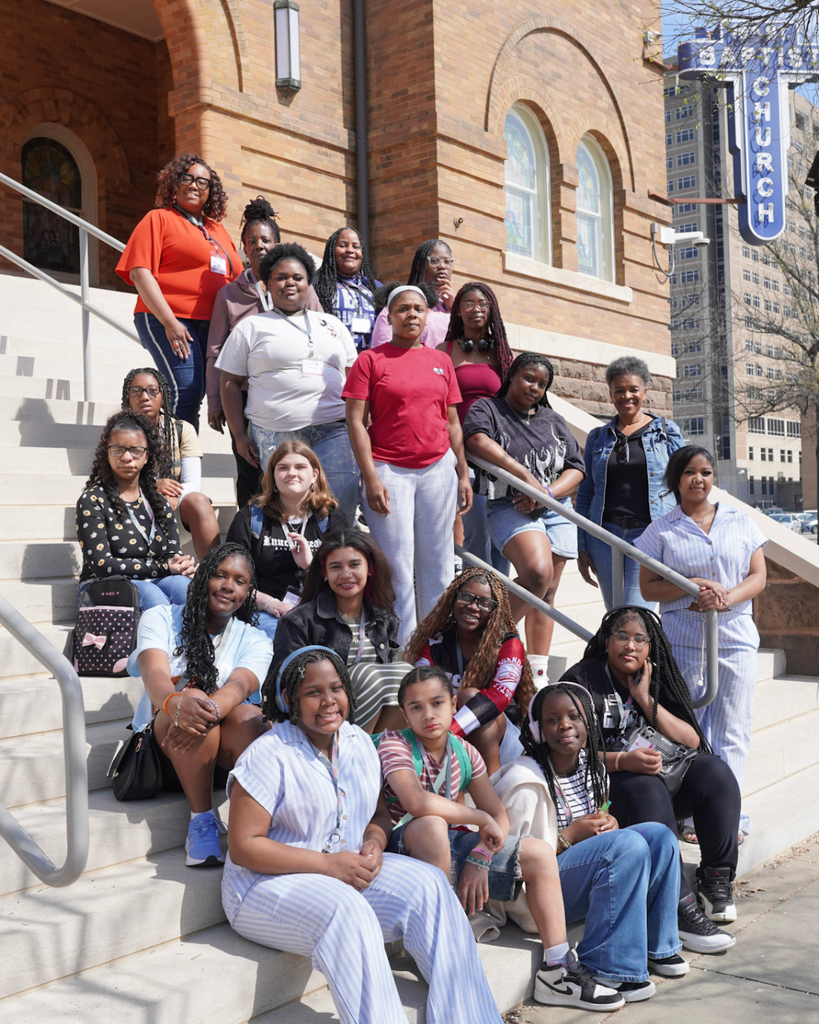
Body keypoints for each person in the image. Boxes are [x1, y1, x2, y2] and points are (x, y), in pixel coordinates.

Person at [223, 647, 505, 1024]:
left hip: (344, 870)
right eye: (312, 692)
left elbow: (379, 815)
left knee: (430, 885)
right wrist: (326, 865)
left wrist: (374, 842)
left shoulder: (359, 743)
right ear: (290, 699)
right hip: (262, 887)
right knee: (347, 909)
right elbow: (243, 847)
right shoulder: (269, 754)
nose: (328, 701)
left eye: (336, 688)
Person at [378, 666, 624, 1012]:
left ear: (453, 705)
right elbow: (416, 802)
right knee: (432, 824)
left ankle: (556, 969)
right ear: (404, 713)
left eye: (437, 703)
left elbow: (500, 817)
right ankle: (444, 949)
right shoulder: (395, 743)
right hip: (403, 850)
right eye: (416, 707)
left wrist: (481, 854)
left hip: (453, 846)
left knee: (538, 852)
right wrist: (479, 818)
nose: (428, 714)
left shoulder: (465, 750)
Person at [493, 682, 688, 1000]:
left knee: (659, 836)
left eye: (574, 716)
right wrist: (571, 836)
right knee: (627, 845)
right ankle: (607, 967)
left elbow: (599, 824)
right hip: (537, 902)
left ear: (589, 724)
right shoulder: (524, 783)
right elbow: (514, 865)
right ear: (537, 729)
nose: (565, 725)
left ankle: (657, 944)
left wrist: (607, 825)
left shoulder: (592, 768)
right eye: (552, 719)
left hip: (573, 879)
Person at [561, 607, 740, 949]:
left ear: (650, 646)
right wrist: (623, 760)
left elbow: (691, 741)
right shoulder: (581, 681)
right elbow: (564, 755)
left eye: (639, 639)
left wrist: (645, 700)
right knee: (646, 786)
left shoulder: (654, 677)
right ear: (607, 640)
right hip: (604, 790)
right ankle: (678, 906)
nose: (630, 646)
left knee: (714, 770)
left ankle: (716, 879)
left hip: (657, 779)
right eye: (622, 636)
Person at [636, 446, 767, 838]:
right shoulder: (661, 530)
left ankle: (730, 817)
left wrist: (724, 595)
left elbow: (758, 576)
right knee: (692, 729)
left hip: (734, 639)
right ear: (676, 479)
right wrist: (690, 589)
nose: (699, 479)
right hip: (685, 641)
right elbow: (647, 586)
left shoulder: (740, 521)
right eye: (690, 472)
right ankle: (692, 815)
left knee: (733, 731)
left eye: (706, 472)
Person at [128, 543, 273, 867]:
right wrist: (177, 703)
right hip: (162, 750)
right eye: (219, 575)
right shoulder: (161, 617)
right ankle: (202, 819)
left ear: (249, 590)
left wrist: (206, 709)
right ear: (203, 575)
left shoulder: (255, 639)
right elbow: (155, 676)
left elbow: (239, 686)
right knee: (190, 697)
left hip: (220, 759)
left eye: (239, 580)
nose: (228, 586)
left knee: (250, 716)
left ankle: (251, 823)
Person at [344, 285, 472, 644]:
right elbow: (356, 421)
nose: (411, 314)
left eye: (418, 308)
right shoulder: (370, 360)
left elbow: (452, 422)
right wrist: (370, 477)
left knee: (439, 562)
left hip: (437, 470)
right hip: (388, 469)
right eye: (403, 309)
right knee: (396, 565)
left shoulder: (442, 361)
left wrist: (462, 472)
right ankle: (403, 646)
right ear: (389, 316)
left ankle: (435, 643)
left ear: (427, 315)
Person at [216, 243, 360, 521]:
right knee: (289, 511)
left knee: (340, 508)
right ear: (268, 283)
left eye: (297, 277)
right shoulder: (251, 326)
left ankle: (338, 562)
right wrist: (239, 435)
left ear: (309, 283)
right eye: (280, 277)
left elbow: (354, 380)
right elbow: (229, 383)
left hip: (334, 430)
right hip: (276, 432)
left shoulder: (331, 324)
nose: (289, 283)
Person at [463, 353, 585, 662]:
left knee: (548, 593)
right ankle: (484, 643)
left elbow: (576, 469)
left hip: (555, 507)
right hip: (508, 504)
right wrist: (526, 478)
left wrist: (544, 491)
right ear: (513, 374)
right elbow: (476, 441)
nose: (535, 387)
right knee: (536, 575)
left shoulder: (553, 420)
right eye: (529, 378)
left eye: (542, 384)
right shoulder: (488, 409)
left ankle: (538, 672)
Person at [206, 196, 323, 507]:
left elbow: (321, 333)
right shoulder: (229, 294)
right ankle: (250, 538)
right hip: (242, 395)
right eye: (252, 240)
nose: (259, 245)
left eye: (266, 240)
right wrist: (215, 401)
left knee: (295, 469)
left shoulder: (302, 288)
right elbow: (215, 351)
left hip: (293, 395)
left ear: (278, 243)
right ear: (244, 247)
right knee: (250, 468)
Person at [116, 154, 242, 430]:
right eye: (188, 178)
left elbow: (238, 278)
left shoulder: (218, 230)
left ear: (211, 192)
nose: (195, 185)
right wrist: (169, 322)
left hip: (212, 325)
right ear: (175, 183)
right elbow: (139, 272)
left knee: (206, 393)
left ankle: (185, 465)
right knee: (184, 389)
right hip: (168, 319)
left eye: (203, 181)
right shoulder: (158, 219)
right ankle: (173, 465)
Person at [264, 530, 407, 732]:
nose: (346, 574)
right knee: (367, 673)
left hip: (373, 723)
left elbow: (390, 684)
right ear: (324, 573)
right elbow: (280, 687)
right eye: (336, 567)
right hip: (321, 716)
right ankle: (349, 751)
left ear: (370, 569)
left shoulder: (385, 620)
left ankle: (375, 751)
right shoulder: (299, 621)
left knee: (408, 676)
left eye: (354, 564)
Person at [575, 356, 685, 610]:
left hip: (650, 535)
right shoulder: (598, 437)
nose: (627, 396)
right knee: (616, 614)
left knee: (638, 615)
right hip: (604, 536)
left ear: (645, 391)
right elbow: (586, 493)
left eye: (633, 389)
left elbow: (685, 485)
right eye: (619, 390)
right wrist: (581, 545)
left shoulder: (666, 433)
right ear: (610, 394)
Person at [404, 568, 534, 774]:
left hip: (503, 744)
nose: (474, 607)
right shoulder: (435, 641)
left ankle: (493, 784)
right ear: (453, 598)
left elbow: (499, 697)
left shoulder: (509, 644)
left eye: (484, 603)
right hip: (445, 735)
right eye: (466, 597)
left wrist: (448, 732)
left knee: (471, 697)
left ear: (495, 610)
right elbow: (421, 689)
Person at [226, 441, 349, 641]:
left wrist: (312, 566)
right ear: (273, 478)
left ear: (314, 475)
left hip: (322, 610)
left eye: (300, 467)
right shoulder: (250, 519)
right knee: (283, 639)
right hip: (266, 613)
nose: (292, 473)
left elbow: (349, 578)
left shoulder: (332, 518)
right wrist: (269, 603)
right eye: (283, 468)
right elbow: (230, 580)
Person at [75, 411, 195, 609]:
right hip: (104, 584)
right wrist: (164, 568)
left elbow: (172, 555)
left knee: (187, 590)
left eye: (136, 450)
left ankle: (196, 640)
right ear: (107, 453)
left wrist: (181, 565)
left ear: (147, 456)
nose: (127, 457)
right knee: (153, 599)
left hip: (152, 579)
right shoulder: (92, 500)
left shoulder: (158, 502)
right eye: (118, 449)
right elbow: (102, 565)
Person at [441, 282, 514, 573]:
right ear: (458, 310)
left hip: (497, 451)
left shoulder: (502, 354)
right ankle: (478, 598)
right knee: (477, 533)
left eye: (483, 304)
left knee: (502, 536)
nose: (476, 310)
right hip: (461, 454)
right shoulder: (444, 351)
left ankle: (500, 606)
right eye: (469, 304)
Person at [121, 367, 221, 560]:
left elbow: (192, 483)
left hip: (172, 508)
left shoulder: (182, 430)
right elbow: (111, 483)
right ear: (127, 397)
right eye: (136, 391)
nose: (144, 397)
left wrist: (170, 495)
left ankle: (213, 574)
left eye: (152, 391)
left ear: (163, 395)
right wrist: (152, 488)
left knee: (199, 501)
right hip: (131, 511)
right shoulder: (118, 433)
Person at [370, 239, 455, 349]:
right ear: (419, 265)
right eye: (435, 261)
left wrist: (456, 307)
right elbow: (382, 351)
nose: (442, 266)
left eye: (448, 262)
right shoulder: (399, 305)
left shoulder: (456, 306)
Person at [313, 227, 381, 352]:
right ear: (332, 251)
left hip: (369, 364)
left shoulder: (375, 287)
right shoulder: (317, 284)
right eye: (343, 245)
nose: (350, 250)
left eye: (356, 247)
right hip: (333, 362)